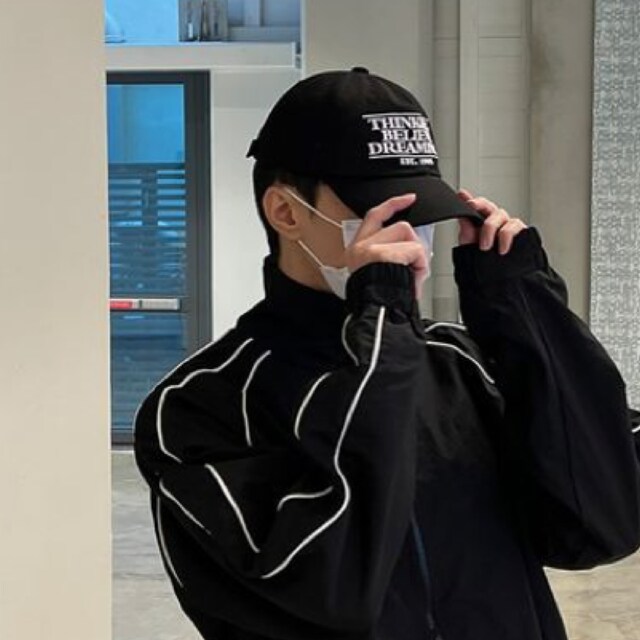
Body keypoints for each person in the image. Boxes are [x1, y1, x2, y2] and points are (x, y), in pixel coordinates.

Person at [133, 67, 640, 640]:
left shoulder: (461, 364)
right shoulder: (198, 408)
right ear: (286, 212)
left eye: (421, 215)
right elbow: (330, 584)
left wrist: (527, 312)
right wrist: (379, 326)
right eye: (383, 213)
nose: (411, 237)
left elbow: (598, 527)